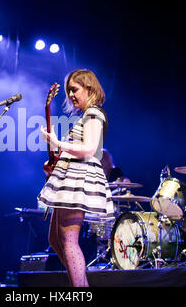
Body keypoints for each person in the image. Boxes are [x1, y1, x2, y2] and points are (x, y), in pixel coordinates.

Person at [38, 69, 114, 287]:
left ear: (89, 88)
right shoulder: (86, 115)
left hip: (79, 178)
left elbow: (89, 149)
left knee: (69, 240)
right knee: (55, 239)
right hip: (70, 177)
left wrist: (57, 142)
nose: (70, 95)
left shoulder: (94, 114)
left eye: (74, 89)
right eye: (68, 91)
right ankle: (80, 285)